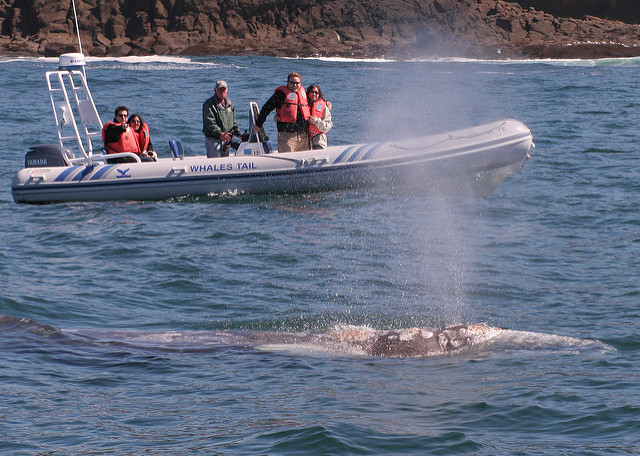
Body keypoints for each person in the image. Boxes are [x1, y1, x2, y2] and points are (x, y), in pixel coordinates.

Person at [254, 72, 310, 152]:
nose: (294, 85)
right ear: (287, 83)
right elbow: (266, 108)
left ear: (300, 83)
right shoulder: (281, 94)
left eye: (297, 83)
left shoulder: (304, 93)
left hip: (304, 136)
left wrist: (326, 103)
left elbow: (315, 101)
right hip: (287, 136)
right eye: (292, 83)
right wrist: (258, 124)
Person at [202, 80, 242, 158]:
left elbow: (233, 123)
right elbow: (210, 123)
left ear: (227, 90)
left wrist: (239, 134)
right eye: (220, 90)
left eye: (224, 90)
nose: (222, 92)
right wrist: (220, 134)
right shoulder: (209, 104)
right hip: (214, 140)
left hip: (226, 141)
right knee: (214, 165)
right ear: (215, 90)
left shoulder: (230, 105)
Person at [307, 84, 333, 149]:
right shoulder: (303, 105)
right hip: (305, 140)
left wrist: (316, 121)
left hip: (319, 140)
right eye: (312, 92)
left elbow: (328, 126)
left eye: (316, 92)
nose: (314, 94)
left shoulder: (323, 106)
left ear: (319, 94)